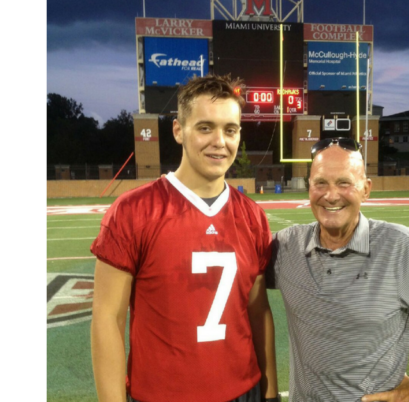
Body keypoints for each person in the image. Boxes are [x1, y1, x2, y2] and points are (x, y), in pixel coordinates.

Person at [90, 74, 279, 402]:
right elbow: (108, 317)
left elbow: (258, 310)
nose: (219, 141)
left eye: (230, 129)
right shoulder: (134, 211)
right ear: (179, 130)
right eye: (205, 127)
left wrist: (271, 391)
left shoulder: (252, 216)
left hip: (243, 391)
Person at [267, 137, 409, 402]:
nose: (331, 195)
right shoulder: (287, 247)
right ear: (309, 187)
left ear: (366, 189)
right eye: (320, 183)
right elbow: (234, 272)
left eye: (344, 183)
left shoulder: (398, 246)